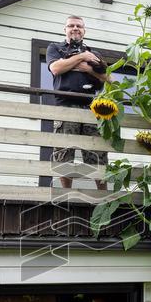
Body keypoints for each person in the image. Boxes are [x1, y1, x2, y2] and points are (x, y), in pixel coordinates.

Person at [47, 15, 111, 189]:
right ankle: (66, 194)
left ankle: (102, 197)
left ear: (84, 31)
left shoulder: (94, 54)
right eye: (71, 25)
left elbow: (108, 77)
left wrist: (86, 68)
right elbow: (56, 68)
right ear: (65, 29)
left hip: (93, 108)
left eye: (79, 26)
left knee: (97, 152)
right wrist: (82, 57)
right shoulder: (55, 48)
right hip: (66, 105)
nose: (75, 28)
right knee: (64, 151)